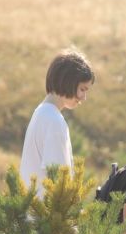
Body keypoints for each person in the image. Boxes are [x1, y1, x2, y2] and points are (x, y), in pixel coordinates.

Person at [20, 48, 95, 197]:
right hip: (47, 217)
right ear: (68, 82)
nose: (84, 97)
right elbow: (60, 183)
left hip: (33, 214)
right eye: (82, 89)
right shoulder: (53, 121)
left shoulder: (41, 113)